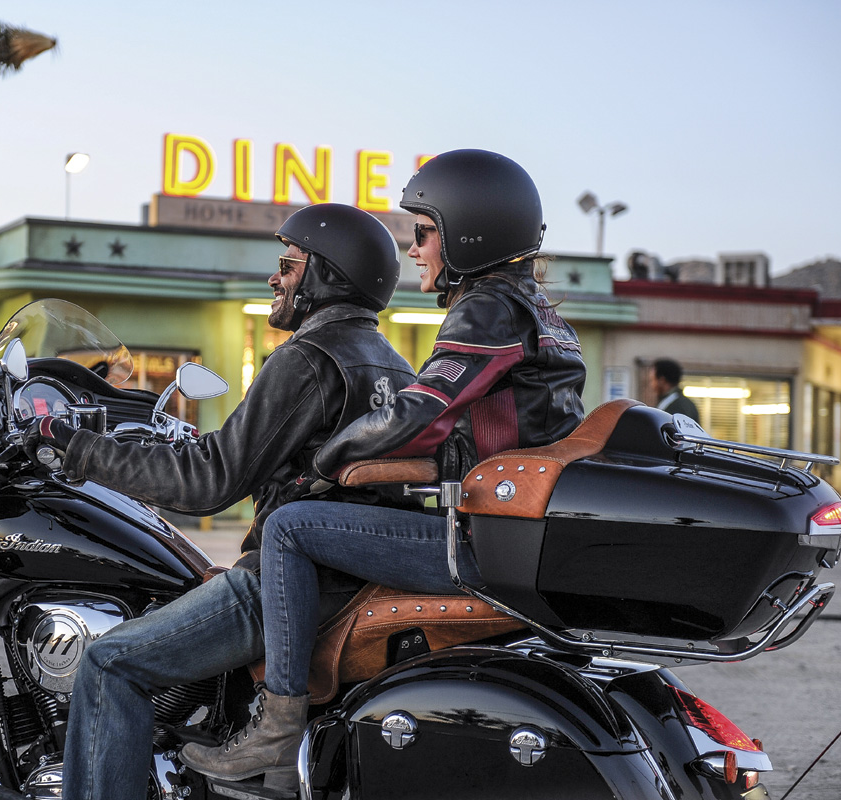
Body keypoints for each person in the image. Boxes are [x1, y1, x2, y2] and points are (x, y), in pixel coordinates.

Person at [179, 149, 587, 784]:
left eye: (424, 232)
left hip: (485, 546)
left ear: (469, 234)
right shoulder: (542, 314)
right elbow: (464, 437)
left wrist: (327, 461)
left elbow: (421, 411)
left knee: (289, 528)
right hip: (520, 535)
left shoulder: (489, 307)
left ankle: (278, 729)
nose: (415, 249)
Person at [28, 203, 417, 800]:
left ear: (325, 276)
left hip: (290, 584)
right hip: (353, 578)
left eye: (289, 265)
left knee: (109, 664)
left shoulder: (307, 360)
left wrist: (78, 449)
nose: (275, 278)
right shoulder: (395, 365)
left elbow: (210, 478)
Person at [651, 357, 700, 422]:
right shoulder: (679, 403)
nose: (652, 385)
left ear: (662, 380)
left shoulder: (680, 406)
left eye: (652, 380)